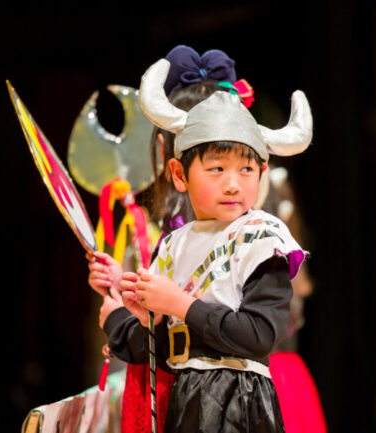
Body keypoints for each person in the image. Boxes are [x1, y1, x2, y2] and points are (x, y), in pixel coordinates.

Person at [108, 57, 313, 432]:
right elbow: (160, 350)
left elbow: (258, 336)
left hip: (240, 402)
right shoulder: (174, 244)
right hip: (186, 398)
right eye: (217, 169)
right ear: (179, 174)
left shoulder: (263, 239)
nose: (233, 184)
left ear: (262, 172)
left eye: (246, 169)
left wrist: (179, 304)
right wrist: (131, 315)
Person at [88, 45, 245, 433]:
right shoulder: (243, 230)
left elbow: (175, 339)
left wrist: (119, 320)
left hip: (189, 397)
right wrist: (124, 288)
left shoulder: (211, 234)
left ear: (166, 153)